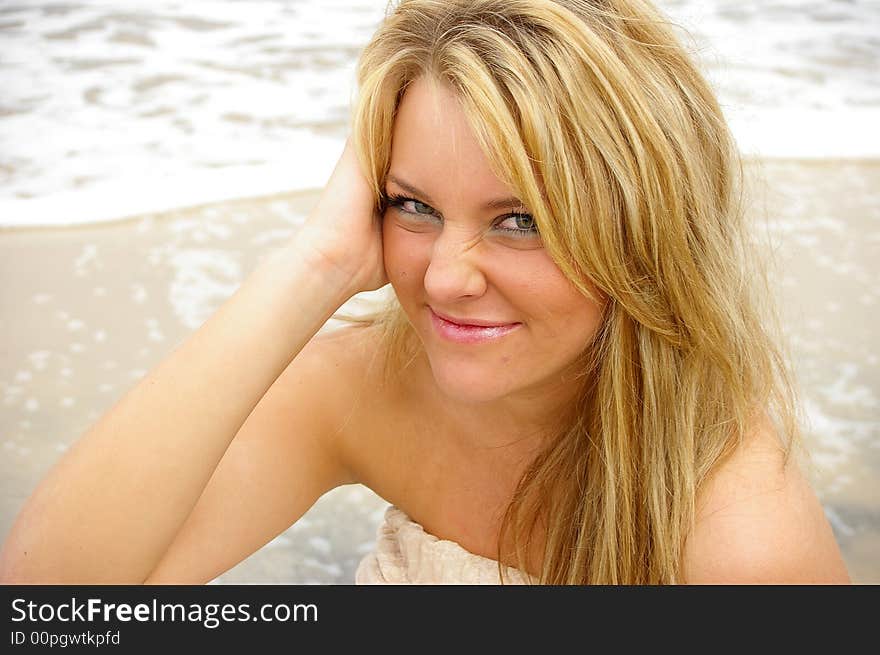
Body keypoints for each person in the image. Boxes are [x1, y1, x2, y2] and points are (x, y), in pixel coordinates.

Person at [0, 0, 850, 585]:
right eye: (414, 205)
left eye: (519, 219)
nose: (445, 276)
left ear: (643, 235)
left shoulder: (740, 535)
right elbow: (52, 603)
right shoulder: (370, 384)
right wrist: (317, 264)